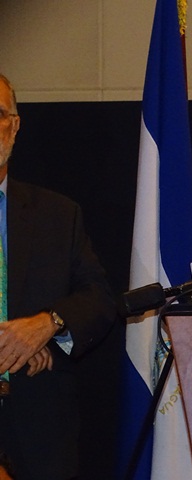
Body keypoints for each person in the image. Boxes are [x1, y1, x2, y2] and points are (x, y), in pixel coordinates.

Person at [0, 74, 117, 479]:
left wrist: (47, 326)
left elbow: (98, 299)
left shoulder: (57, 214)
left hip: (40, 431)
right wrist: (12, 346)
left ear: (15, 125)